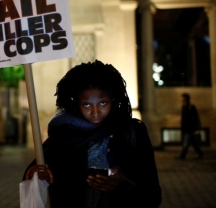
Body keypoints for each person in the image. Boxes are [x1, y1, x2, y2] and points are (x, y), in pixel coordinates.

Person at [23, 60, 162, 208]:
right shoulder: (64, 134)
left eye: (102, 103)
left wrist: (123, 183)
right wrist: (37, 175)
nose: (95, 112)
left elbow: (153, 195)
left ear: (113, 100)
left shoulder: (131, 132)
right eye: (87, 105)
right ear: (76, 103)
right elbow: (38, 175)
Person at [179, 93, 204, 159]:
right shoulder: (183, 107)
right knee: (194, 143)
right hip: (186, 128)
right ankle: (200, 153)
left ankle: (182, 156)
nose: (181, 99)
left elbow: (195, 117)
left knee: (186, 143)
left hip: (190, 128)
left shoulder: (191, 107)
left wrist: (195, 127)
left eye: (183, 98)